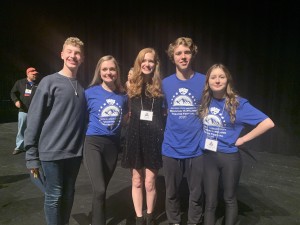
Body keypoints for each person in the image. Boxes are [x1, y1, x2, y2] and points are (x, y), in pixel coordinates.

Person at [198, 64, 275, 225]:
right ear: (208, 81)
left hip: (229, 159)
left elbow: (268, 123)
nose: (217, 80)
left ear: (227, 80)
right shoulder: (205, 101)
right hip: (208, 157)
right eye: (213, 77)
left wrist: (243, 139)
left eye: (221, 77)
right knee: (210, 201)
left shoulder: (237, 104)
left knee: (229, 198)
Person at [24, 37, 87, 225]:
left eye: (77, 53)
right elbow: (33, 120)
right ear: (62, 54)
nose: (73, 56)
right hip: (50, 153)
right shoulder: (49, 82)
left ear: (82, 58)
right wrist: (31, 156)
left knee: (68, 194)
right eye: (69, 52)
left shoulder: (82, 89)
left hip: (74, 154)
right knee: (54, 195)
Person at [161, 37, 206, 225]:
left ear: (192, 54)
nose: (183, 56)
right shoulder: (165, 83)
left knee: (196, 194)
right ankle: (175, 222)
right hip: (171, 146)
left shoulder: (205, 81)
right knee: (171, 193)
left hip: (197, 148)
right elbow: (162, 110)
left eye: (187, 52)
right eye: (179, 53)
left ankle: (194, 222)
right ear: (173, 57)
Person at [121, 48, 165, 225]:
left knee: (150, 183)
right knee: (137, 181)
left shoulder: (161, 86)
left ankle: (150, 216)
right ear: (139, 63)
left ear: (156, 64)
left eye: (151, 61)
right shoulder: (130, 84)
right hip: (134, 136)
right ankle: (139, 217)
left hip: (154, 137)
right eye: (144, 61)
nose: (147, 64)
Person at [84, 55, 128, 225]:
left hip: (113, 146)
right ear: (99, 72)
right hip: (93, 143)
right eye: (104, 69)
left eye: (112, 69)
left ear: (117, 72)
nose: (108, 72)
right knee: (100, 189)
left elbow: (123, 119)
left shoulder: (123, 96)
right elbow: (78, 118)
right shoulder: (89, 93)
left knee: (101, 190)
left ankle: (96, 217)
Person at [10, 67, 39, 155]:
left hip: (36, 111)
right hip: (24, 110)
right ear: (27, 74)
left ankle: (33, 146)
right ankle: (19, 147)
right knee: (22, 129)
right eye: (33, 74)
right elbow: (12, 92)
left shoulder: (39, 83)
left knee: (35, 129)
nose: (35, 75)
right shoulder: (20, 82)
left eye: (36, 74)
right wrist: (16, 101)